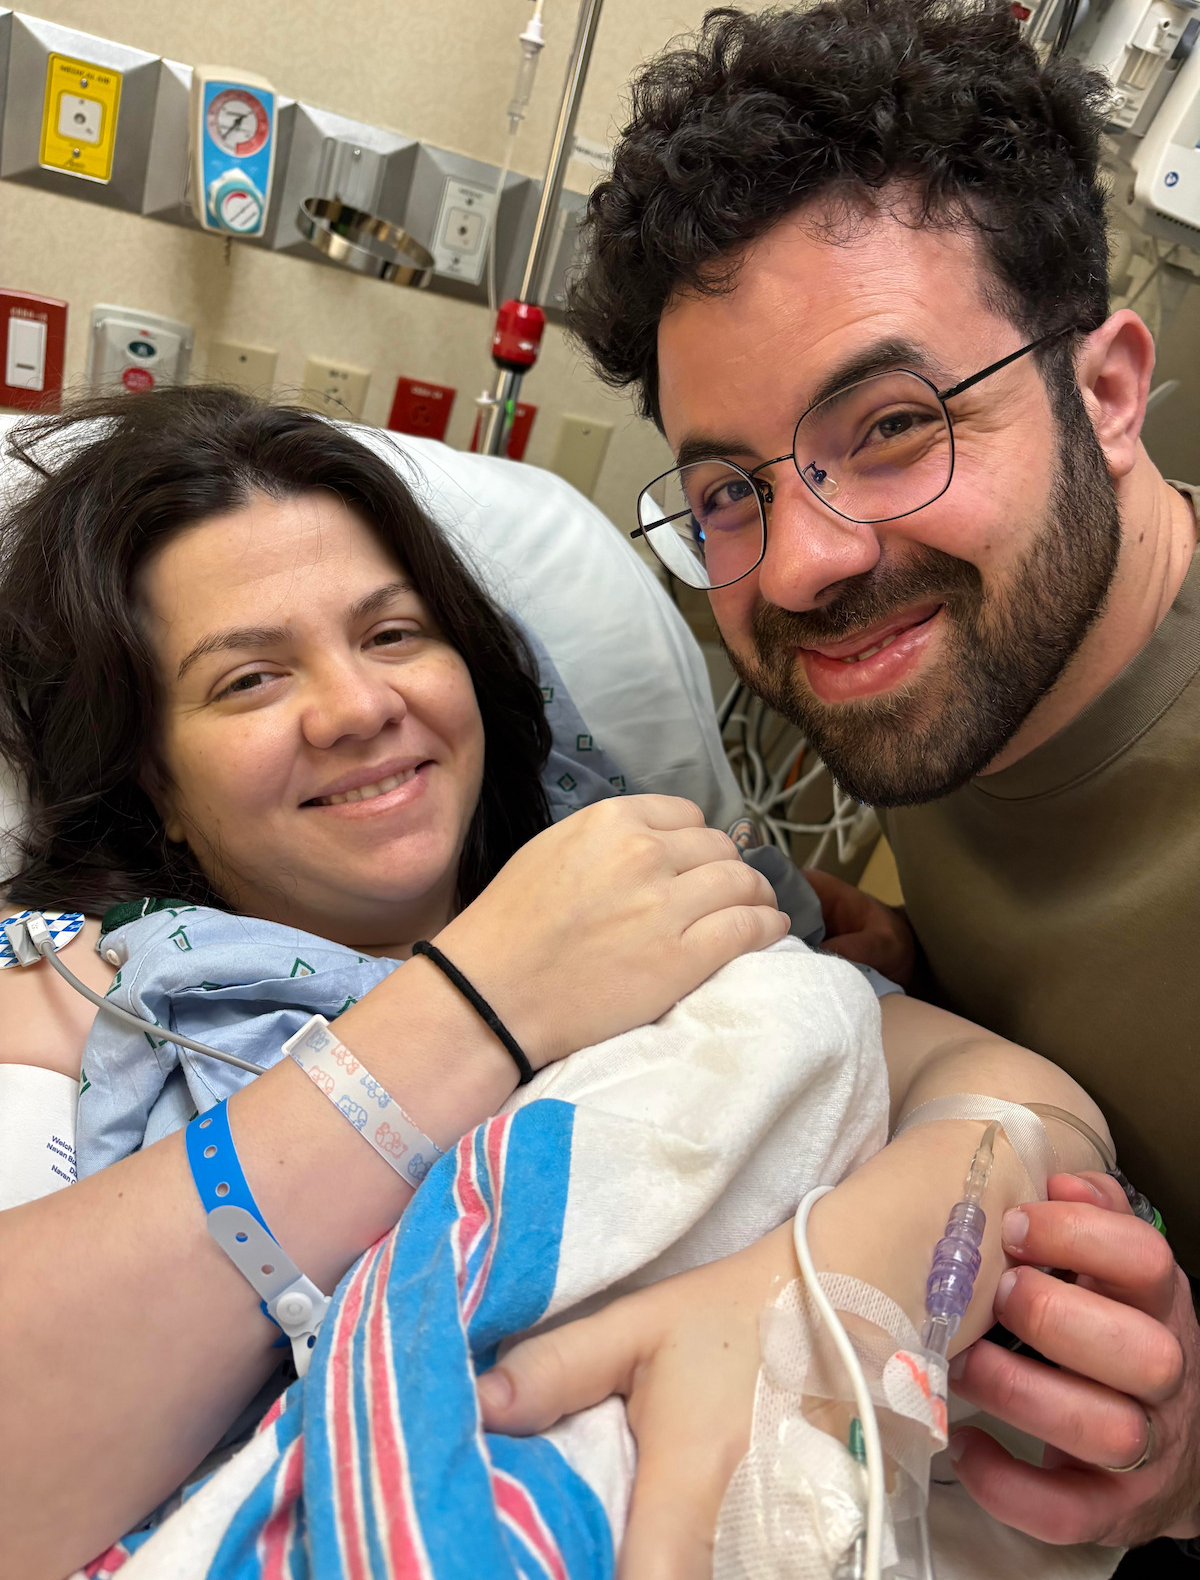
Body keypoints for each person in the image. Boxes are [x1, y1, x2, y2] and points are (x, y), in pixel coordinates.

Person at [0, 386, 1110, 1579]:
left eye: (392, 634)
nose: (362, 706)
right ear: (155, 778)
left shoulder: (636, 884)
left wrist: (820, 1284)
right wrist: (481, 1000)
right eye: (249, 680)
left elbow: (1017, 1098)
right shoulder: (83, 982)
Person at [477, 0, 1200, 1568]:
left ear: (1108, 388)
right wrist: (901, 948)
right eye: (728, 487)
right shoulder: (959, 663)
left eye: (891, 424)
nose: (800, 561)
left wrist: (1195, 1465)